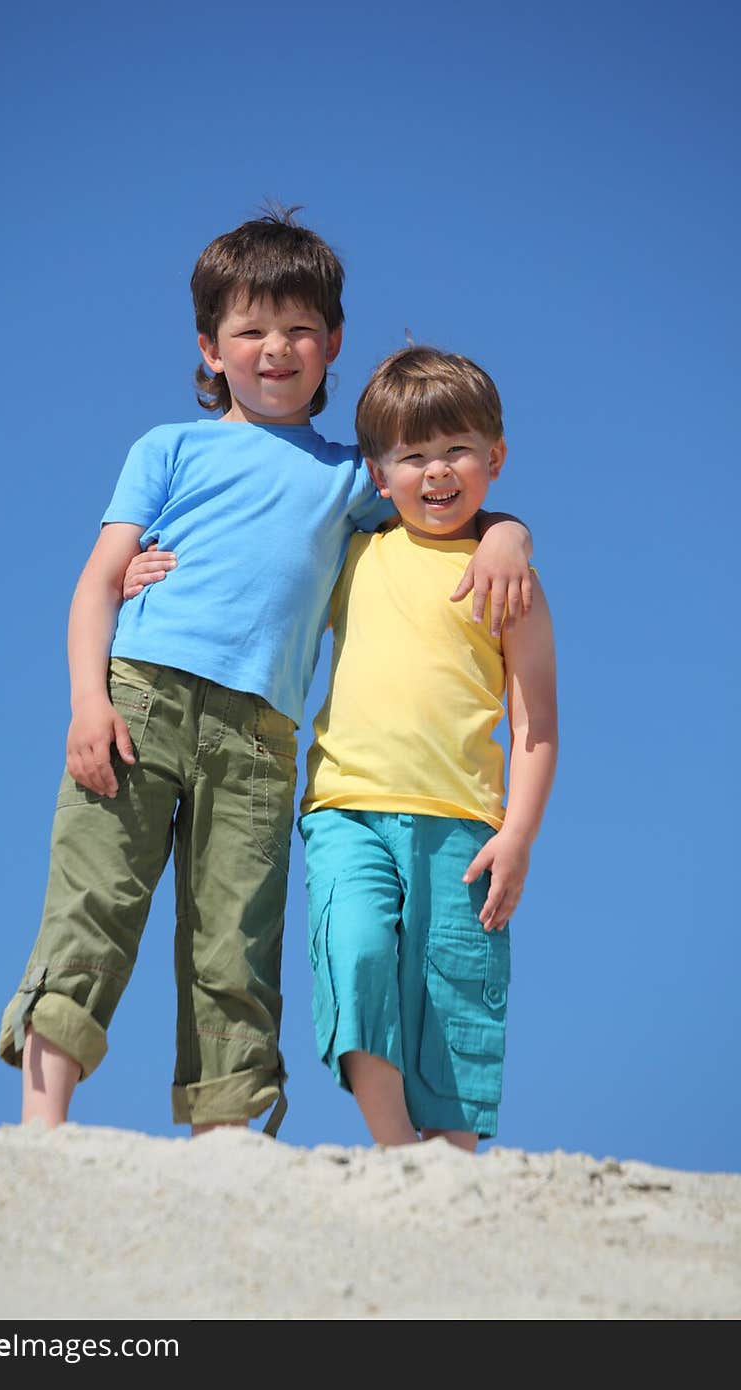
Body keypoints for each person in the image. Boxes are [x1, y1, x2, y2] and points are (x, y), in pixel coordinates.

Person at [0, 207, 534, 1139]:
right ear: (210, 348)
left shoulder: (349, 478)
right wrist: (88, 698)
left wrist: (511, 532)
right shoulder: (167, 449)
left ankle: (226, 1138)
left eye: (298, 330)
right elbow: (95, 585)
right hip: (139, 700)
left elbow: (438, 491)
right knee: (93, 901)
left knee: (236, 941)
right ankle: (41, 1126)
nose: (274, 348)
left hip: (258, 740)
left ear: (331, 346)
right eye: (249, 330)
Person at [297, 346, 558, 1149]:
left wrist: (517, 835)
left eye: (456, 450)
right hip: (349, 808)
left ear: (495, 458)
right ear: (379, 474)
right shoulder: (356, 552)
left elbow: (536, 722)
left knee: (454, 1002)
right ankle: (392, 1148)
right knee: (358, 950)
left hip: (465, 828)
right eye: (412, 456)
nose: (436, 471)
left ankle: (446, 1174)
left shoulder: (510, 579)